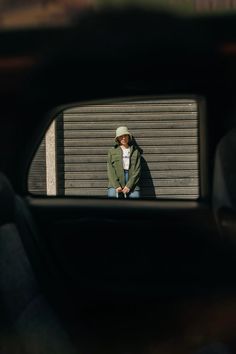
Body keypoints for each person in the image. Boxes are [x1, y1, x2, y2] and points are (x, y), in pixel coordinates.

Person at [107, 126, 141, 198]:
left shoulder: (135, 151)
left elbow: (137, 170)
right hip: (115, 181)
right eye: (121, 136)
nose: (123, 138)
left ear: (128, 136)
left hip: (132, 181)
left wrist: (129, 186)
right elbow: (110, 169)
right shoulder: (112, 151)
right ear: (117, 139)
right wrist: (116, 186)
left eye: (125, 135)